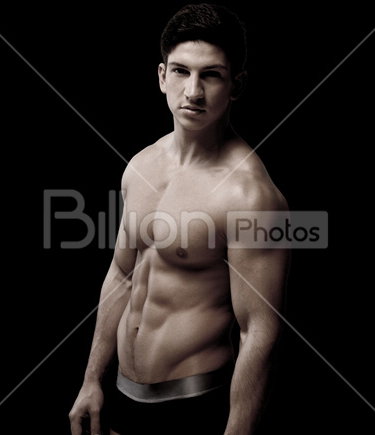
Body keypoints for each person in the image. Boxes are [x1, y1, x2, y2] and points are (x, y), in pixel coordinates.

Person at [69, 4, 289, 434]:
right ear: (161, 76)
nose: (193, 91)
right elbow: (121, 274)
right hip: (121, 396)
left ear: (237, 85)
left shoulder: (248, 194)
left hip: (192, 404)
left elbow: (259, 331)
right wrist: (92, 379)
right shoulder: (140, 166)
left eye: (211, 75)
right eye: (181, 71)